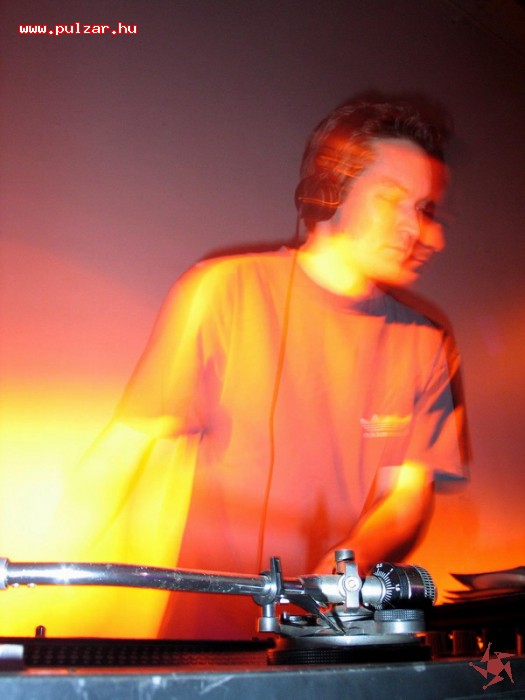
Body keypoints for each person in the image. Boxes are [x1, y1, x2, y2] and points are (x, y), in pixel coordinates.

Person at [60, 97, 470, 639]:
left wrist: (343, 568)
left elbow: (407, 498)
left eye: (421, 207)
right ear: (329, 194)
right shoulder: (224, 291)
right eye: (392, 198)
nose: (415, 228)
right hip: (208, 643)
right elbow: (124, 452)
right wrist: (52, 574)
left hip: (335, 638)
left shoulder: (426, 343)